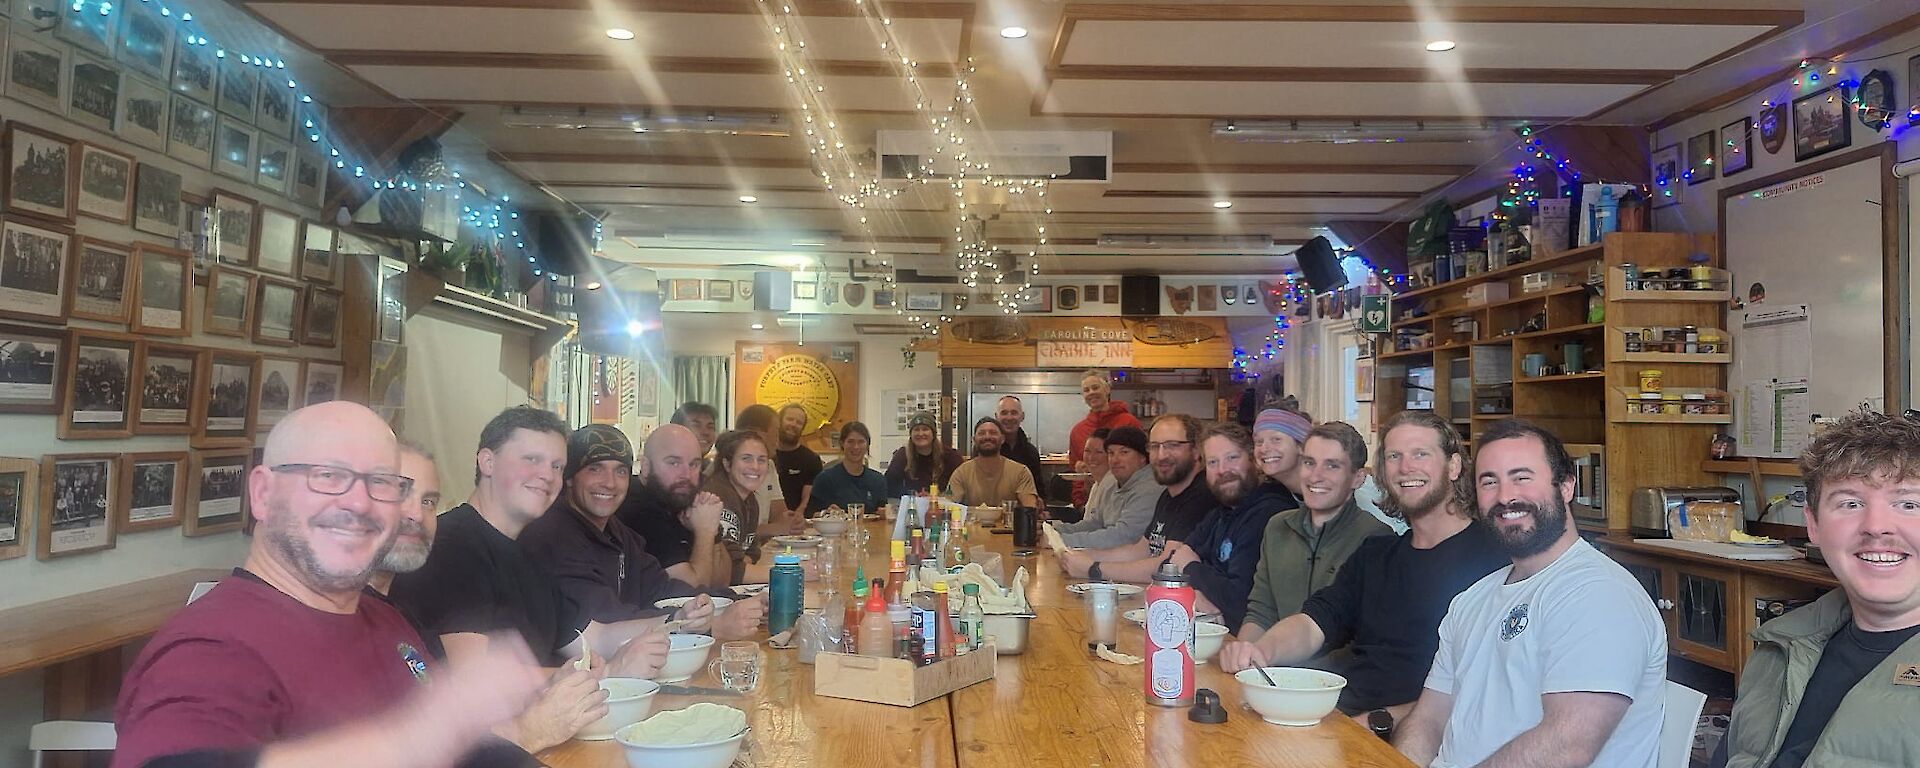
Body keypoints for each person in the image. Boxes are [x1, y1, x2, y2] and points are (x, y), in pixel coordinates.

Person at [113, 402, 547, 768]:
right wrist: (420, 736)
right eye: (327, 475)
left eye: (380, 482)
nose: (358, 502)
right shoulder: (212, 647)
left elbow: (468, 753)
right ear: (262, 494)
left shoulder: (387, 620)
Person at [1394, 418, 1666, 767]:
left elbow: (1566, 746)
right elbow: (1429, 719)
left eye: (1522, 477)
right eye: (1489, 482)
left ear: (1566, 486)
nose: (1506, 496)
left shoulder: (1599, 595)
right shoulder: (1471, 600)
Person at [1218, 410, 1507, 732]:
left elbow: (1485, 688)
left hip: (1406, 732)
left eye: (1420, 454)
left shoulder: (1494, 558)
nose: (1406, 467)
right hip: (1339, 715)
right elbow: (1315, 622)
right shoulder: (1376, 555)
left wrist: (1376, 723)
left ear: (1453, 466)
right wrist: (1261, 651)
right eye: (1395, 456)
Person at [389, 407, 671, 676]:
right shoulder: (452, 544)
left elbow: (595, 636)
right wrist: (610, 672)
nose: (547, 475)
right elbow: (474, 679)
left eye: (557, 466)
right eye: (532, 460)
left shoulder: (531, 551)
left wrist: (679, 623)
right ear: (487, 462)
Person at [1710, 411, 1920, 768]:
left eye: (1909, 504)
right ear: (1813, 524)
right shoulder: (1779, 650)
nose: (1877, 527)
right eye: (1850, 503)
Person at [520, 424, 766, 640]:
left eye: (620, 471)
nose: (610, 482)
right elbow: (605, 622)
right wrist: (701, 626)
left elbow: (665, 590)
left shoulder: (618, 534)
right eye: (595, 469)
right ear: (570, 478)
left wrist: (748, 602)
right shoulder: (554, 536)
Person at [1238, 422, 1393, 642]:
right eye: (1309, 463)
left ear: (1357, 478)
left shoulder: (1376, 539)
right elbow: (1261, 612)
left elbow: (1365, 636)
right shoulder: (1277, 527)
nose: (1315, 476)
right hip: (1276, 667)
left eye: (1332, 466)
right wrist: (1244, 658)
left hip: (1336, 674)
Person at [1159, 422, 1293, 629]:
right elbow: (1168, 566)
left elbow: (1239, 602)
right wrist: (1194, 595)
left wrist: (1192, 567)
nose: (1222, 470)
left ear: (1253, 460)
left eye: (1232, 458)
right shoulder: (1220, 512)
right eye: (1213, 462)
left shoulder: (1269, 512)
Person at [1057, 414, 1218, 581]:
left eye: (1172, 445)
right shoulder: (1168, 495)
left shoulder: (1202, 495)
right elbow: (1141, 550)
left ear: (1197, 450)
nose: (1162, 455)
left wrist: (1093, 569)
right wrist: (1078, 555)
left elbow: (1168, 567)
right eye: (1155, 446)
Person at [617, 424, 729, 589]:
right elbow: (692, 592)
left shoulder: (678, 498)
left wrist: (712, 531)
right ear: (645, 467)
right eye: (674, 463)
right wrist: (705, 531)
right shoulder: (638, 510)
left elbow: (722, 582)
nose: (686, 475)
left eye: (694, 464)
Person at [1052, 425, 1163, 550]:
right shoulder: (1113, 483)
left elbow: (1123, 537)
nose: (1115, 460)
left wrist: (1061, 540)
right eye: (1111, 453)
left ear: (1143, 457)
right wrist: (1054, 532)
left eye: (1124, 452)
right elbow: (1095, 523)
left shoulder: (1149, 489)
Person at [369, 439, 443, 597]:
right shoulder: (322, 608)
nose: (417, 515)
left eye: (428, 502)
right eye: (400, 493)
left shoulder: (417, 603)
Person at [702, 429, 773, 584]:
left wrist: (744, 564)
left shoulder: (750, 499)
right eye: (746, 459)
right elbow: (731, 572)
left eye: (761, 460)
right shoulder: (718, 498)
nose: (755, 466)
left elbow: (753, 550)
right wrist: (791, 573)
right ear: (727, 464)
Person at [1067, 371, 1142, 506]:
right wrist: (1079, 502)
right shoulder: (1078, 431)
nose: (1091, 393)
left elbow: (1141, 465)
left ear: (1107, 389)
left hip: (1124, 500)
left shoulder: (1129, 423)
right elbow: (1077, 474)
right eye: (1086, 390)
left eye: (1095, 387)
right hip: (1090, 501)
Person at [734, 404, 803, 537]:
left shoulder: (769, 466)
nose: (778, 441)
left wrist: (793, 521)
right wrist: (775, 529)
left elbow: (779, 513)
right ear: (757, 433)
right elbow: (730, 531)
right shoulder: (728, 467)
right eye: (776, 432)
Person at [944, 417, 1040, 508]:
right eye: (982, 433)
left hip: (1010, 525)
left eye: (993, 432)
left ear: (1002, 439)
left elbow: (1029, 508)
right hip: (972, 525)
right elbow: (949, 505)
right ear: (974, 440)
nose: (987, 436)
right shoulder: (961, 473)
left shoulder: (1020, 472)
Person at [808, 421, 890, 515]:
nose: (856, 447)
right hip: (837, 530)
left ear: (867, 445)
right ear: (842, 443)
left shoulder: (878, 480)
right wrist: (826, 513)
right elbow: (811, 515)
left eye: (861, 442)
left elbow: (883, 512)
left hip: (872, 530)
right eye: (850, 442)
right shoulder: (825, 479)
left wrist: (885, 513)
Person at [885, 412, 964, 496]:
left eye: (925, 429)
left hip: (942, 505)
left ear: (933, 433)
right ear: (911, 434)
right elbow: (889, 485)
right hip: (913, 504)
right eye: (916, 430)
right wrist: (910, 493)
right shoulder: (902, 455)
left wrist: (941, 495)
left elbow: (962, 484)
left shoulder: (950, 456)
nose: (920, 434)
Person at [773, 403, 824, 516]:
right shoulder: (765, 455)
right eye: (790, 419)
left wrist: (797, 515)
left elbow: (807, 498)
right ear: (779, 421)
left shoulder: (811, 459)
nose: (793, 424)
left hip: (799, 522)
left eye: (799, 422)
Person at [995, 395, 1047, 494]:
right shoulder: (987, 448)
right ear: (996, 417)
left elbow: (1039, 490)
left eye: (1014, 413)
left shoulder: (1031, 452)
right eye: (1004, 413)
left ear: (1022, 416)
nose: (1009, 417)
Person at [669, 401, 720, 479]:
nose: (705, 432)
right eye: (696, 425)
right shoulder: (668, 470)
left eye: (710, 427)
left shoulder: (712, 470)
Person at [1079, 429, 1112, 499]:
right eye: (1087, 451)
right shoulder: (1098, 485)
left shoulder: (1113, 487)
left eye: (1099, 452)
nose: (1091, 458)